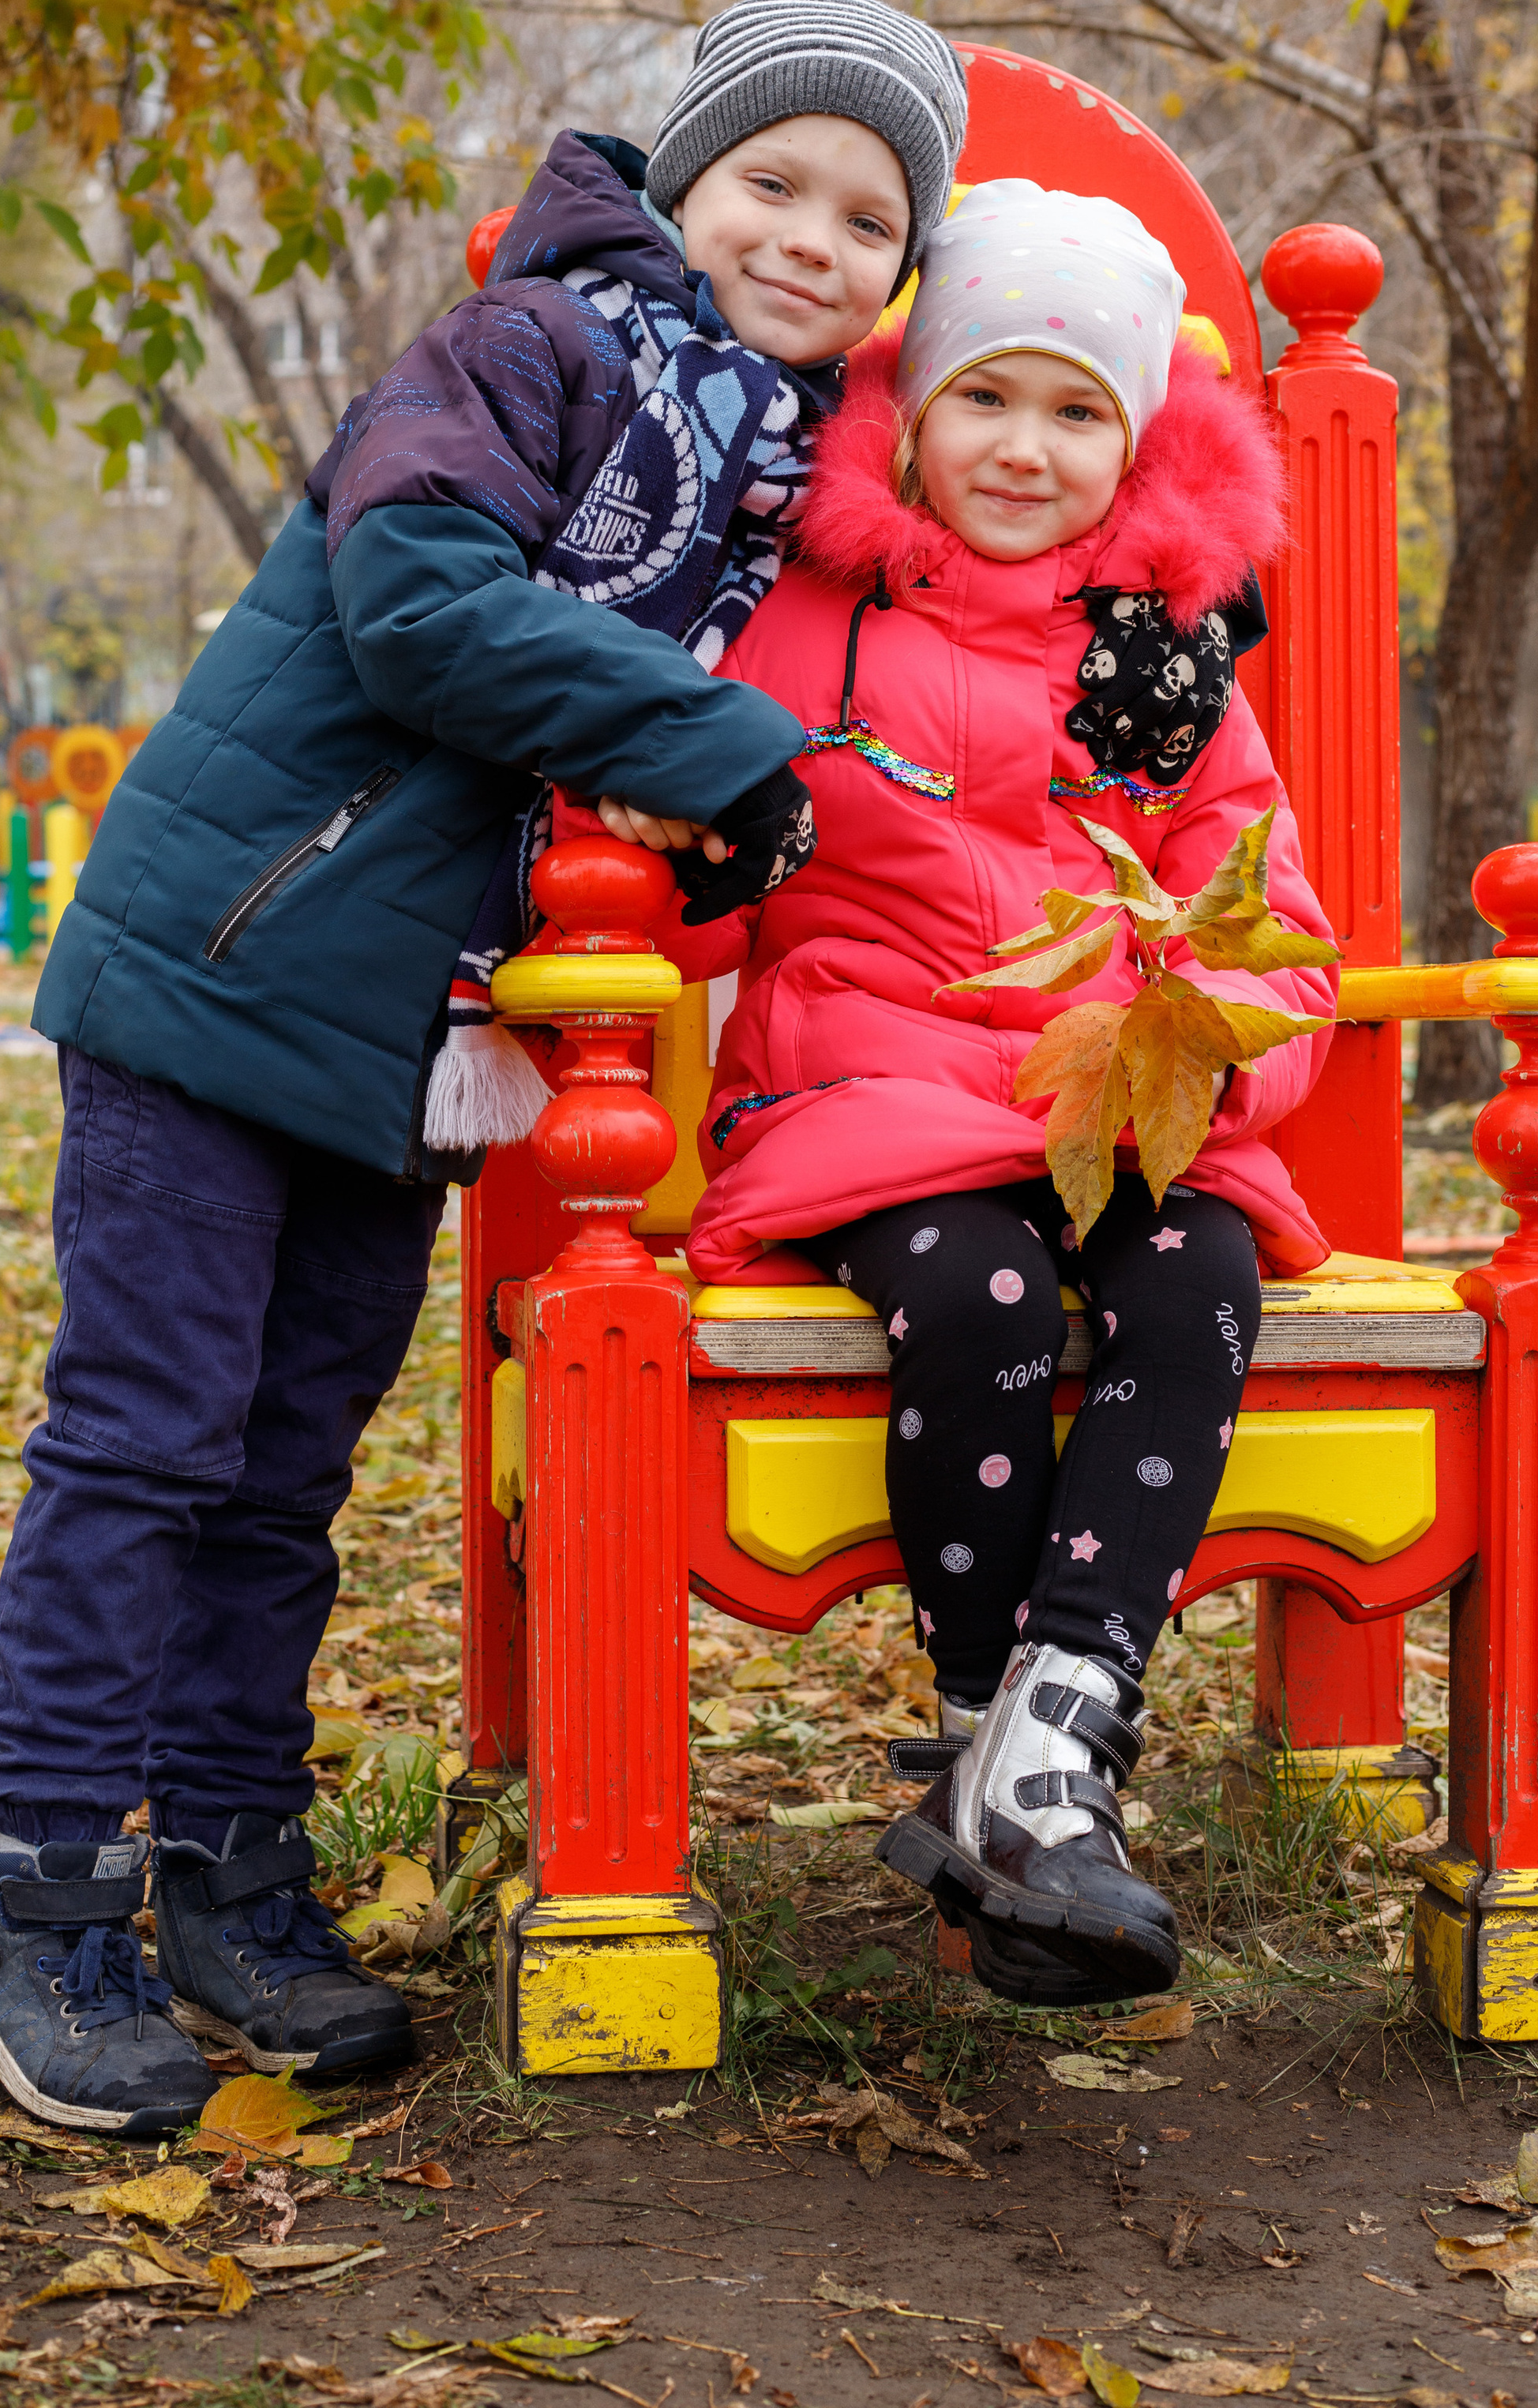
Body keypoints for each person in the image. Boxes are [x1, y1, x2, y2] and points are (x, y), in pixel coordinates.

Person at [0, 0, 970, 2135]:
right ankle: (35, 1906)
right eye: (775, 179)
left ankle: (226, 1877)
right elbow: (418, 603)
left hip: (412, 1035)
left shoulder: (759, 485)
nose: (809, 235)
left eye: (868, 217)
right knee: (145, 1446)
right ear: (684, 179)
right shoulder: (537, 349)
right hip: (225, 968)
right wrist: (724, 748)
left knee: (284, 1476)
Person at [640, 178, 1337, 2005]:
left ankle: (1050, 1739)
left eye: (1075, 409)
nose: (1024, 450)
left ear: (1134, 438)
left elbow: (1284, 937)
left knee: (1194, 1275)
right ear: (910, 404)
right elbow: (677, 892)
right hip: (870, 1085)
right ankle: (992, 1741)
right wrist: (687, 844)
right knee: (983, 1292)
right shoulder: (797, 614)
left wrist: (1203, 1040)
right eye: (984, 397)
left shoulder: (1168, 665)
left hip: (1108, 1103)